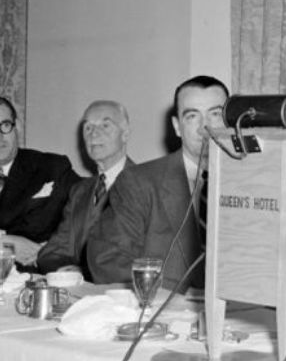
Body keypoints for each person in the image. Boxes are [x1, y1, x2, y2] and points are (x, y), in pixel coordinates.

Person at [87, 75, 229, 289]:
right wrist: (166, 298)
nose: (205, 126)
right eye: (192, 116)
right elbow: (108, 261)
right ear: (177, 126)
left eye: (215, 114)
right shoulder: (139, 182)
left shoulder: (257, 183)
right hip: (164, 304)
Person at [0, 95, 79, 265]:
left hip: (35, 274)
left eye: (5, 125)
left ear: (17, 127)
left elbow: (91, 207)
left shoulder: (52, 168)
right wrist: (1, 241)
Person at [37, 100, 134, 277]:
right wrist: (66, 272)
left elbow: (145, 258)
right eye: (88, 127)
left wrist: (86, 273)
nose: (94, 134)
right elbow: (52, 252)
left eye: (105, 125)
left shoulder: (146, 185)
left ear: (125, 134)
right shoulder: (80, 191)